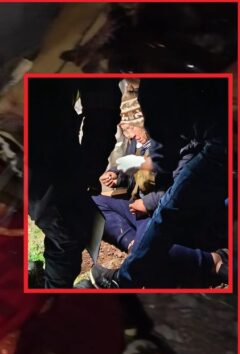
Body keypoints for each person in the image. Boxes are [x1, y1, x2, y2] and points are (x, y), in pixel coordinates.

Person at [89, 78, 228, 288]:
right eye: (125, 130)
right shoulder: (138, 145)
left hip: (154, 208)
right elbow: (134, 174)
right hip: (140, 206)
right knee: (96, 203)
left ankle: (209, 262)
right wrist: (118, 176)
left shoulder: (189, 149)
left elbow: (176, 190)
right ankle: (135, 245)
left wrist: (148, 202)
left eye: (132, 128)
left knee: (154, 242)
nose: (130, 134)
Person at [28, 78, 122, 288]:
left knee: (64, 231)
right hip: (41, 153)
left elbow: (101, 96)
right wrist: (91, 165)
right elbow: (101, 102)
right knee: (66, 234)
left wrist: (90, 165)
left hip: (47, 148)